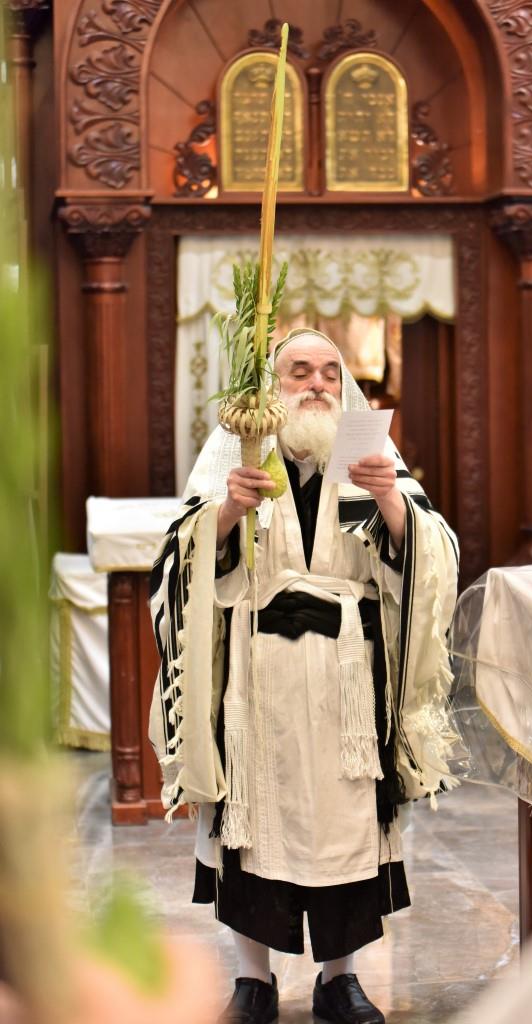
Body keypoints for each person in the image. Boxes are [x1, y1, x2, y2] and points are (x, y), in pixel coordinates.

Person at [149, 329, 459, 1024]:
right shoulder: (237, 452)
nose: (315, 383)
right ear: (273, 386)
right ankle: (252, 979)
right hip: (257, 686)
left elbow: (432, 552)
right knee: (252, 827)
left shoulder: (364, 453)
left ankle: (338, 980)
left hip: (348, 683)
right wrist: (227, 512)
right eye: (298, 371)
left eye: (327, 371)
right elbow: (179, 561)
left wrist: (390, 503)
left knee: (348, 824)